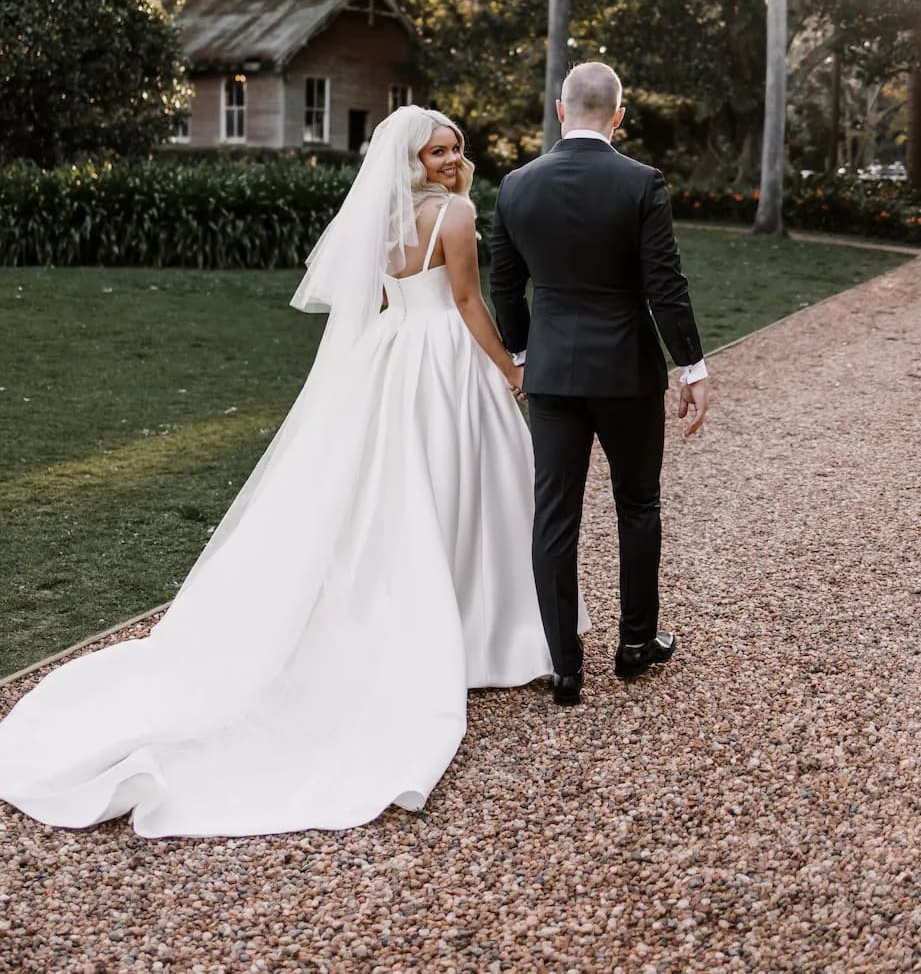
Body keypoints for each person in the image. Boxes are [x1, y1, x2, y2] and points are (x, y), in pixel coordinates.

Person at [0, 106, 581, 837]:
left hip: (391, 353)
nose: (448, 158)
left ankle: (441, 615)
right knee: (462, 481)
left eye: (454, 147)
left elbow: (373, 301)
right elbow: (466, 301)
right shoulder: (458, 213)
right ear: (414, 157)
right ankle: (481, 630)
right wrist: (509, 366)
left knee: (401, 488)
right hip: (440, 359)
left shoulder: (382, 216)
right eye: (438, 149)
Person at [490, 62, 709, 707]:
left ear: (560, 109)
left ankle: (564, 667)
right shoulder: (641, 182)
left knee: (554, 513)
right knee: (638, 504)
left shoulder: (515, 186)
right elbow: (664, 285)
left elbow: (505, 287)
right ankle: (637, 645)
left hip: (553, 374)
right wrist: (692, 367)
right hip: (627, 371)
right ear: (618, 114)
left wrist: (524, 354)